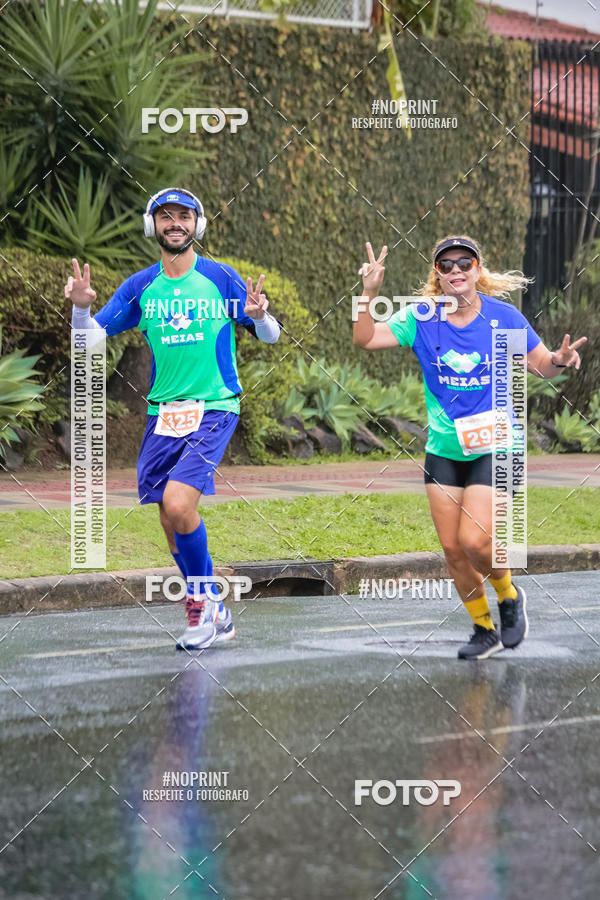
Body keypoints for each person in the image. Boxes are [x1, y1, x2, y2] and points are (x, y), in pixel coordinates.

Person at [64, 187, 281, 650]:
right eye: (166, 217)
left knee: (181, 506)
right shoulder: (141, 287)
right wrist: (81, 307)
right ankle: (215, 610)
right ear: (153, 226)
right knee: (167, 517)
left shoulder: (220, 278)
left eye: (184, 216)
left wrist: (259, 317)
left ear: (196, 226)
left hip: (215, 407)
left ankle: (201, 608)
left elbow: (271, 335)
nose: (175, 223)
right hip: (163, 414)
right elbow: (86, 340)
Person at [353, 235, 586, 660]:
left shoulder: (505, 317)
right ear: (437, 275)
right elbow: (366, 339)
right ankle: (483, 629)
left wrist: (561, 358)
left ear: (478, 269)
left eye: (465, 262)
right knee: (453, 550)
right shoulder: (422, 317)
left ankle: (509, 594)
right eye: (446, 265)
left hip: (497, 444)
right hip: (444, 447)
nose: (456, 270)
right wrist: (369, 294)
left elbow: (542, 365)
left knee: (477, 543)